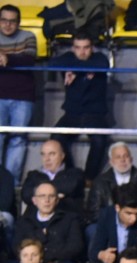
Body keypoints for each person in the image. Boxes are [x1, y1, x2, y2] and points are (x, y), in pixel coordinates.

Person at [50, 30, 111, 180]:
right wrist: (83, 70)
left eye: (86, 47)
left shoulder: (99, 58)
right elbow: (53, 63)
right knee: (56, 138)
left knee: (99, 140)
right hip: (72, 113)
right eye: (78, 48)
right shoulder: (68, 57)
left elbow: (102, 64)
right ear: (73, 48)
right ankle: (71, 174)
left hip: (95, 114)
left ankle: (89, 178)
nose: (82, 52)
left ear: (92, 48)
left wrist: (75, 70)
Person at [0, 4, 37, 185]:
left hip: (23, 98)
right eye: (4, 20)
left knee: (18, 140)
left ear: (19, 23)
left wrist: (6, 57)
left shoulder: (28, 36)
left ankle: (11, 185)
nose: (8, 25)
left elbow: (29, 59)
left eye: (12, 21)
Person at [14, 181, 86, 263]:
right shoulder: (24, 222)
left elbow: (75, 247)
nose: (47, 200)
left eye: (51, 196)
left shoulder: (70, 219)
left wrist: (48, 258)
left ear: (57, 200)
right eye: (42, 196)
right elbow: (17, 247)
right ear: (34, 200)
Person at [86, 142, 137, 222]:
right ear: (111, 162)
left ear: (131, 159)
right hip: (107, 224)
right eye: (118, 157)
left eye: (126, 156)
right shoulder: (99, 182)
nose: (122, 160)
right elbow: (94, 213)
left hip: (136, 223)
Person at [20, 140, 87, 216]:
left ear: (62, 155)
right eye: (43, 154)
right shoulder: (33, 175)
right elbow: (26, 195)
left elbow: (70, 187)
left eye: (52, 154)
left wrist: (39, 194)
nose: (47, 159)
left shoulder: (75, 174)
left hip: (66, 219)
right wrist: (58, 194)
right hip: (36, 220)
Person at [88, 184, 137, 263]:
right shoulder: (106, 216)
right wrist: (102, 255)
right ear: (117, 208)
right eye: (129, 213)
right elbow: (94, 250)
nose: (134, 218)